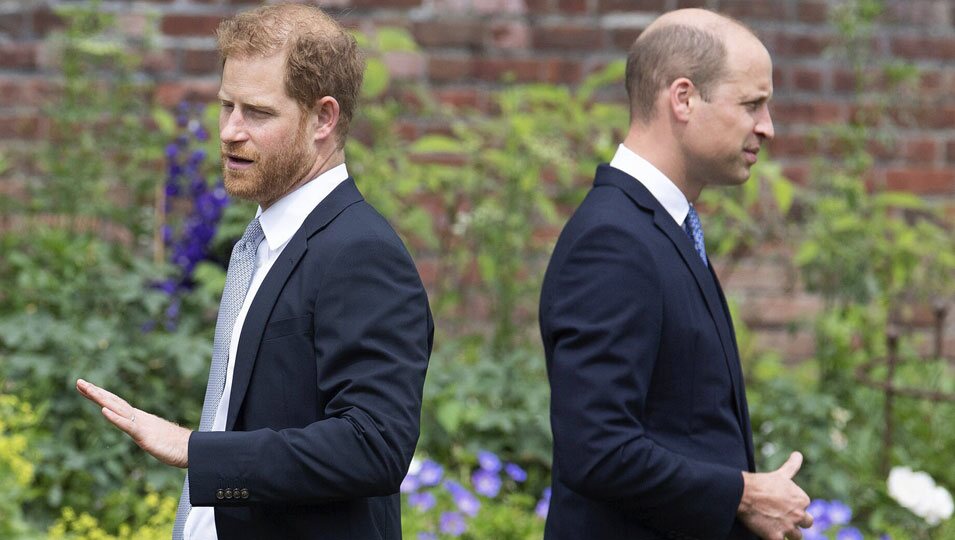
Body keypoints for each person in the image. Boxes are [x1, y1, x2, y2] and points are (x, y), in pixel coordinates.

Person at [76, 4, 433, 539]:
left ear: (323, 118)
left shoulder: (360, 252)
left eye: (258, 113)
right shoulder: (263, 242)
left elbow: (375, 445)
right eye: (226, 106)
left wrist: (194, 449)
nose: (229, 132)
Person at [539, 8, 812, 540]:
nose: (768, 128)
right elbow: (596, 449)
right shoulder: (613, 241)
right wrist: (743, 493)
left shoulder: (662, 226)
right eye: (752, 104)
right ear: (683, 98)